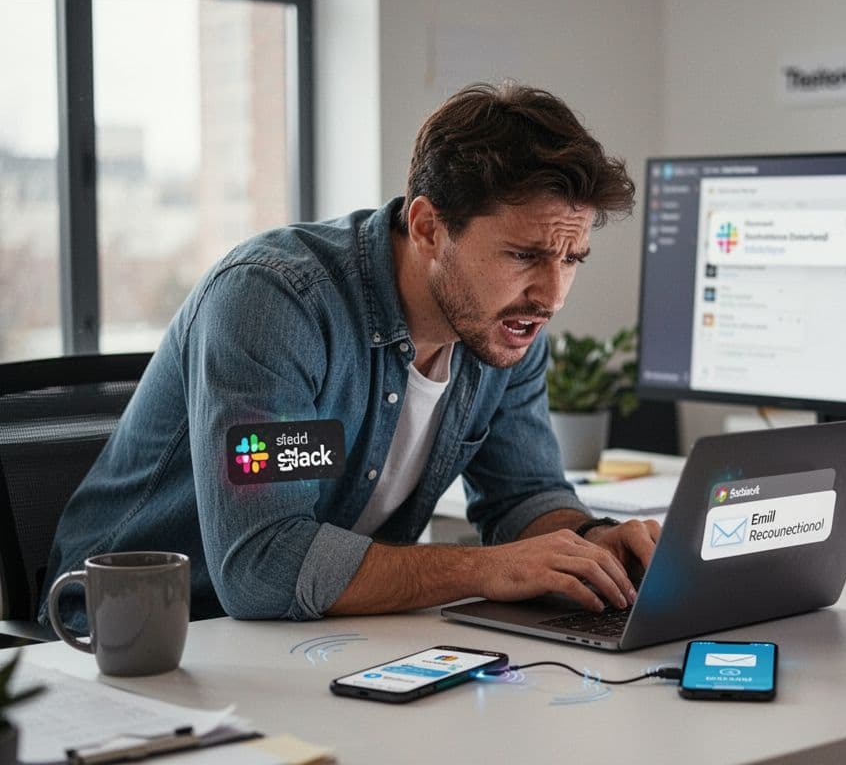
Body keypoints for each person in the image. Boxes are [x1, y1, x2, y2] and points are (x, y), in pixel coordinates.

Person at [39, 82, 658, 629]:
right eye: (523, 255)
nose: (551, 295)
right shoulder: (275, 304)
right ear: (428, 228)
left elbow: (522, 498)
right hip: (138, 637)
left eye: (570, 259)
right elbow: (262, 565)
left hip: (311, 637)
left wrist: (594, 546)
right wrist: (486, 568)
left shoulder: (504, 326)